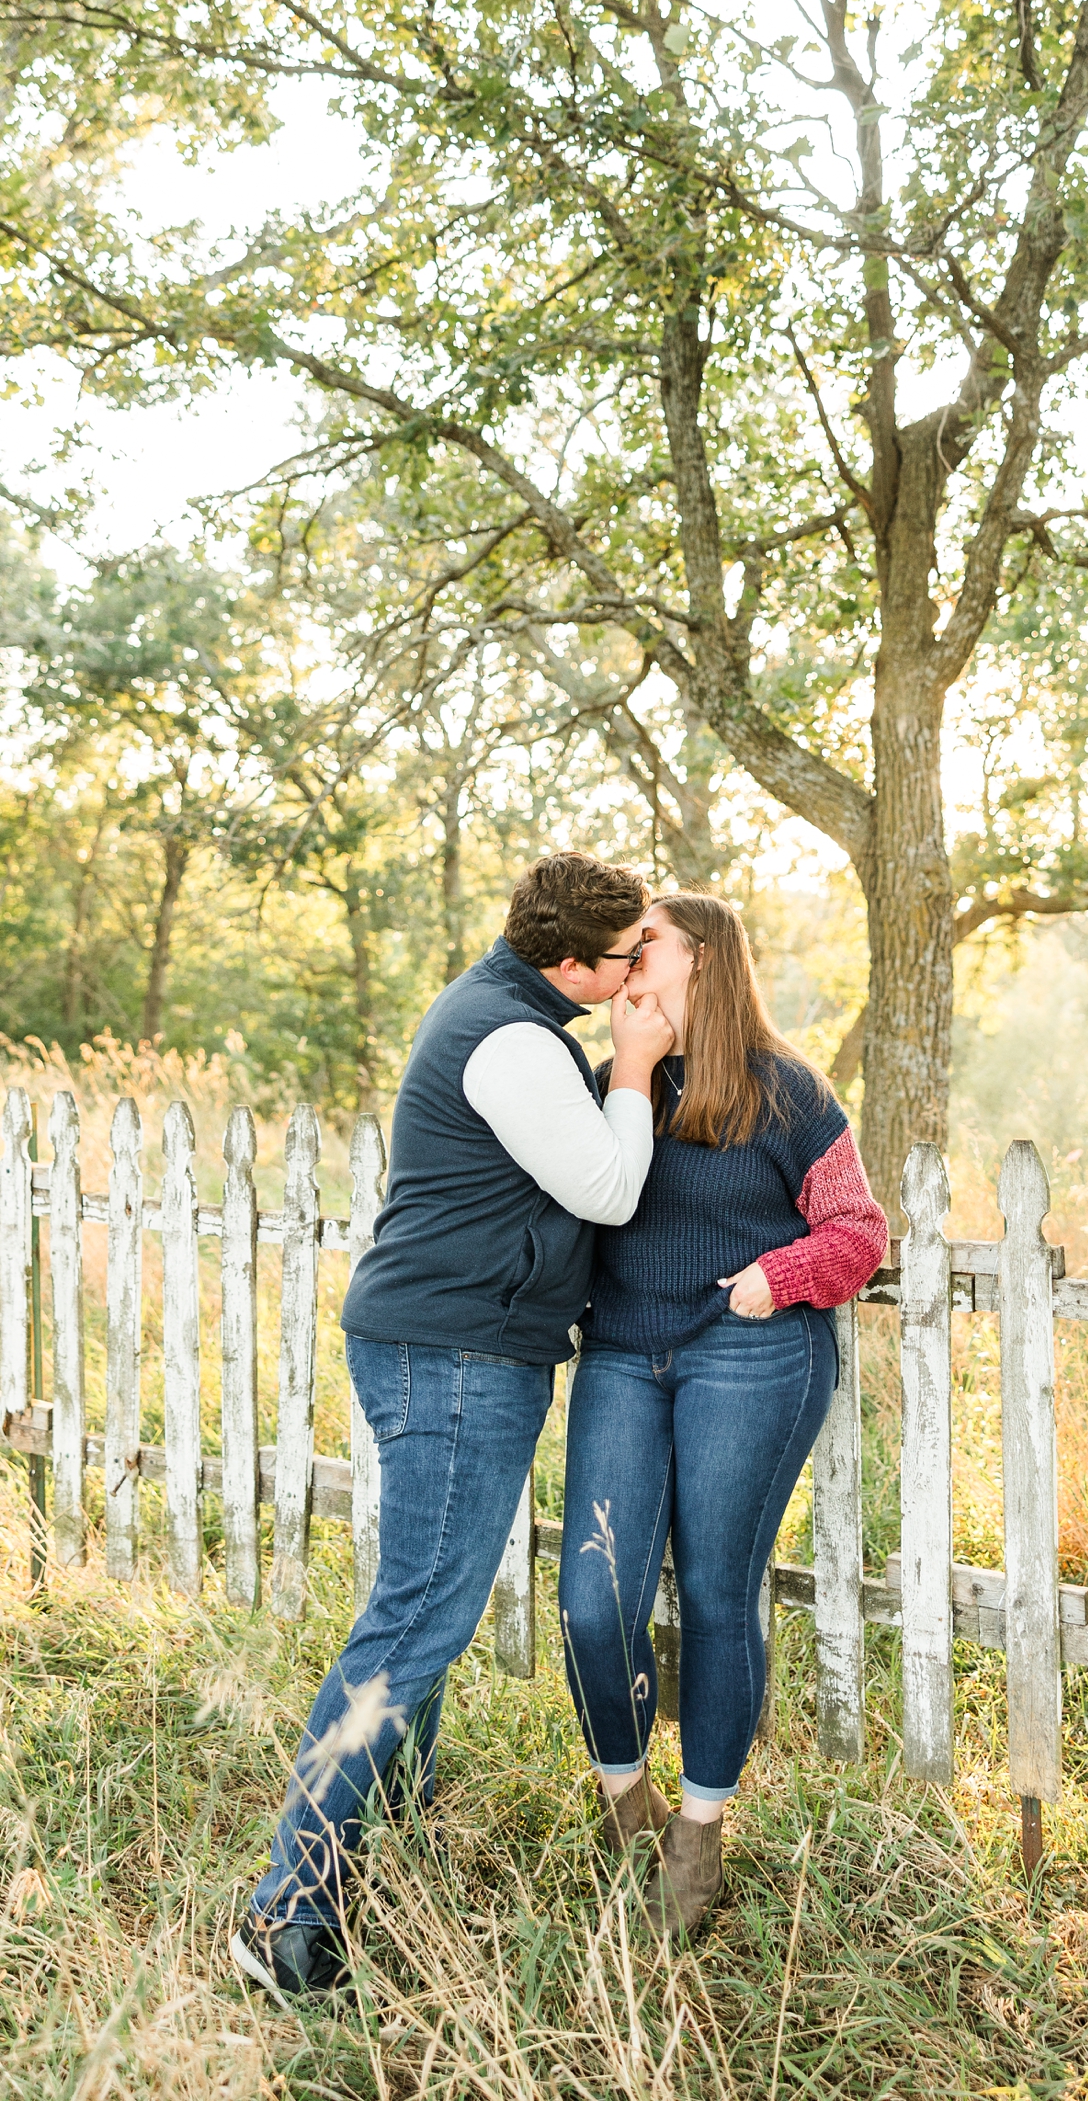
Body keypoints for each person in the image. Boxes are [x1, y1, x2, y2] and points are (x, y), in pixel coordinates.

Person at [233, 851, 675, 2007]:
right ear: (571, 962)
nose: (641, 980)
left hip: (465, 1346)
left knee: (423, 1608)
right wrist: (632, 1064)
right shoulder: (517, 1042)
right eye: (629, 961)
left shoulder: (521, 1017)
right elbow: (608, 1190)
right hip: (454, 1355)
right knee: (416, 1620)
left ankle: (390, 1839)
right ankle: (291, 1900)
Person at [557, 893, 888, 1939]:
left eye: (645, 938)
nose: (627, 953)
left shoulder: (785, 1090)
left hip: (747, 1349)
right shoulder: (611, 1080)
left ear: (703, 958)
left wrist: (780, 1277)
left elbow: (859, 1232)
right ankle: (627, 1803)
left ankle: (699, 1832)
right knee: (593, 1601)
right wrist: (627, 1071)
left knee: (714, 1590)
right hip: (620, 1350)